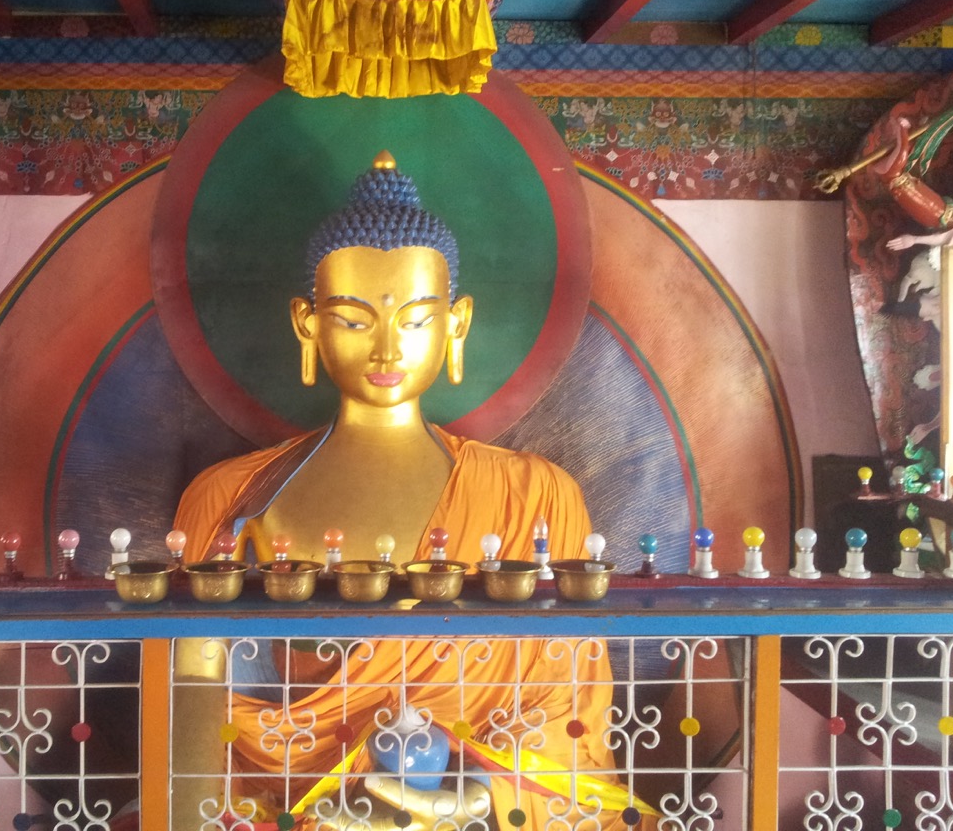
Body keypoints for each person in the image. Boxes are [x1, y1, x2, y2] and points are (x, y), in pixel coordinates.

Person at [171, 153, 655, 830]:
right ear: (306, 324)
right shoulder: (228, 499)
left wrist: (480, 797)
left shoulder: (536, 498)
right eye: (353, 318)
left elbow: (562, 718)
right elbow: (197, 717)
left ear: (457, 323)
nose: (387, 347)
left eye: (417, 318)